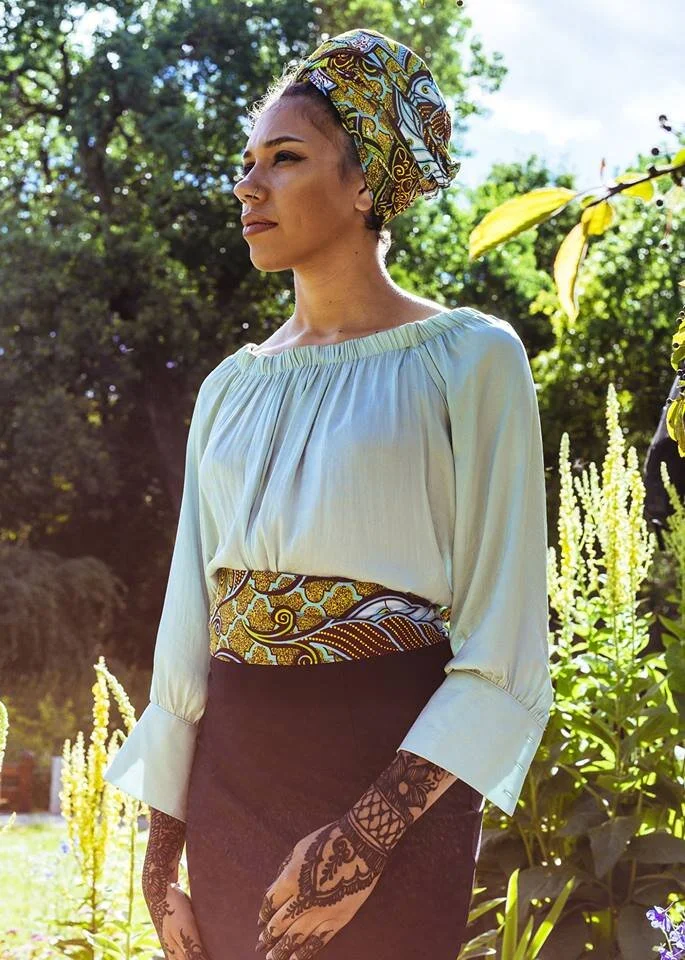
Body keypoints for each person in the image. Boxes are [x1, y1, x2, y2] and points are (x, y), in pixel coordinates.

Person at [103, 27, 554, 960]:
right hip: (231, 783)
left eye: (284, 158)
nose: (248, 185)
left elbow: (502, 641)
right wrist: (158, 864)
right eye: (246, 162)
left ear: (364, 185)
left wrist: (362, 841)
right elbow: (189, 626)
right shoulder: (229, 388)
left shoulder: (471, 360)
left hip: (394, 785)